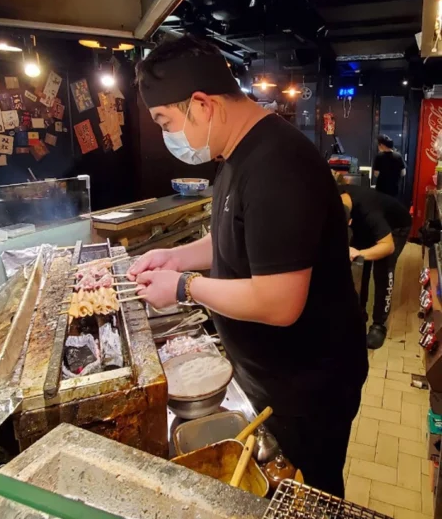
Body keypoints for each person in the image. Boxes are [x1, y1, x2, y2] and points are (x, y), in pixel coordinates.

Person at [128, 34, 367, 497]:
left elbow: (279, 303)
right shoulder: (236, 153)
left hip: (306, 386)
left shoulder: (278, 164)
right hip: (269, 376)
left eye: (165, 121)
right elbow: (233, 236)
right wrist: (176, 257)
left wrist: (183, 286)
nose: (166, 136)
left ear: (202, 105)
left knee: (307, 496)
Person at [339, 183, 411, 349]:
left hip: (395, 227)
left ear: (349, 221)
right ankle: (358, 312)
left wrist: (360, 253)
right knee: (357, 266)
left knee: (383, 268)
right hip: (363, 225)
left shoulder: (370, 212)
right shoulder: (332, 195)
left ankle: (379, 325)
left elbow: (388, 246)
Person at [372, 135, 406, 199]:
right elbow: (403, 173)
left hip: (381, 189)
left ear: (382, 145)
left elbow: (376, 174)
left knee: (381, 204)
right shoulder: (398, 156)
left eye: (378, 145)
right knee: (392, 204)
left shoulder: (379, 156)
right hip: (394, 189)